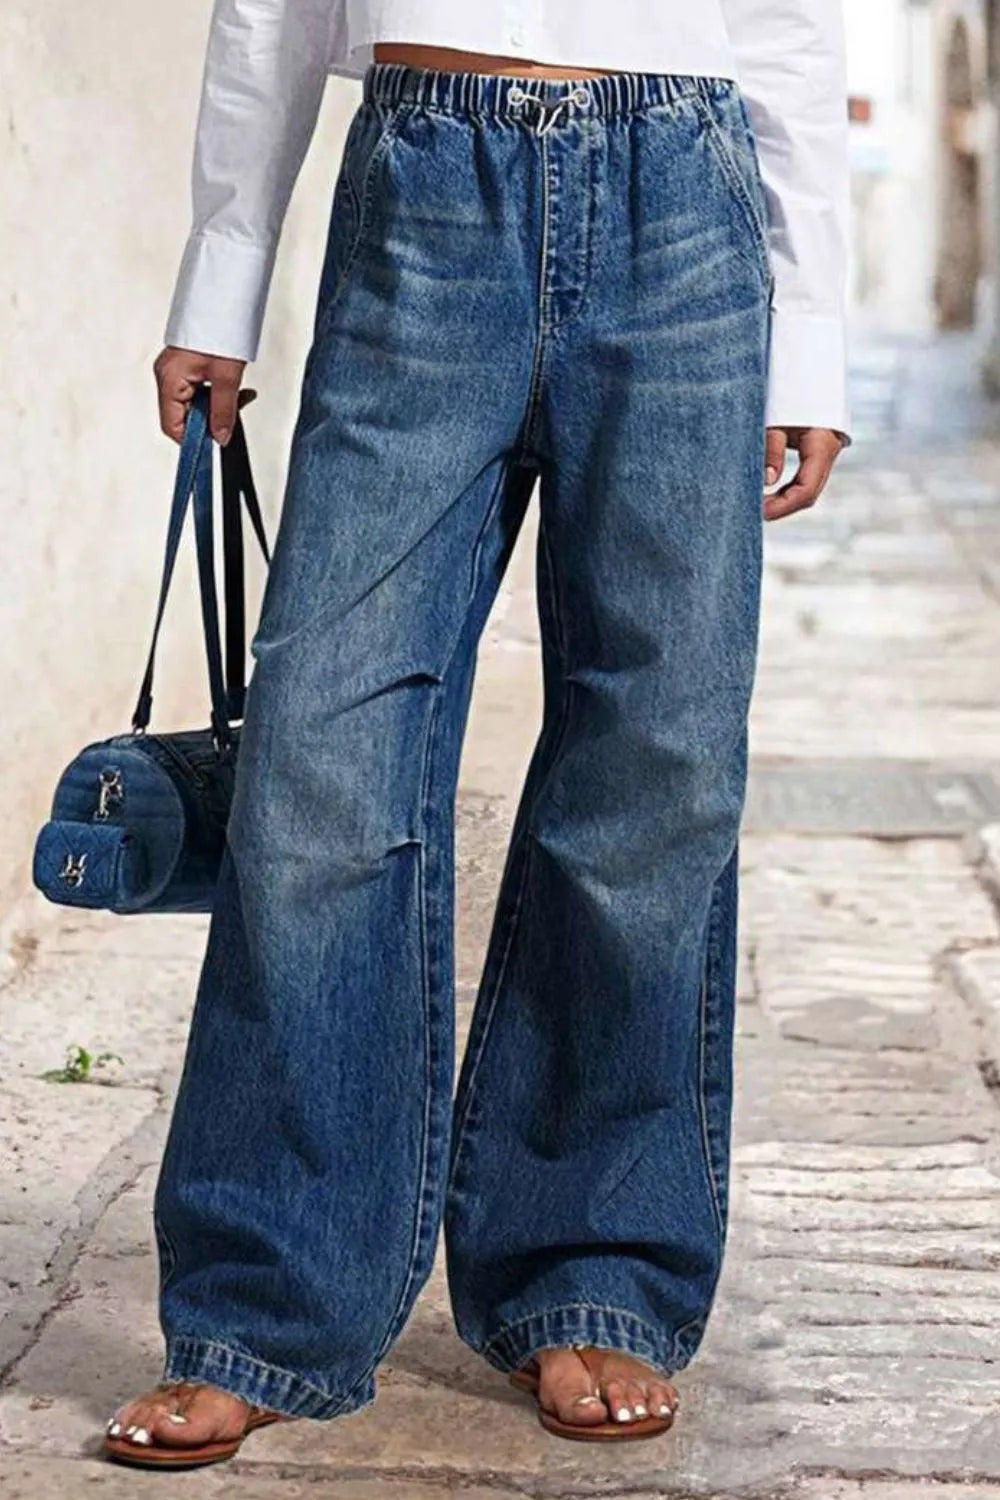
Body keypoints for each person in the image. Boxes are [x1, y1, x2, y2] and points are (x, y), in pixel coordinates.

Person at [104, 0, 850, 1469]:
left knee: (659, 767)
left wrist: (810, 329)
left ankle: (593, 1270)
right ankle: (266, 1302)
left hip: (687, 211)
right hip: (427, 182)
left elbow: (789, 15)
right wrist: (222, 277)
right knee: (321, 753)